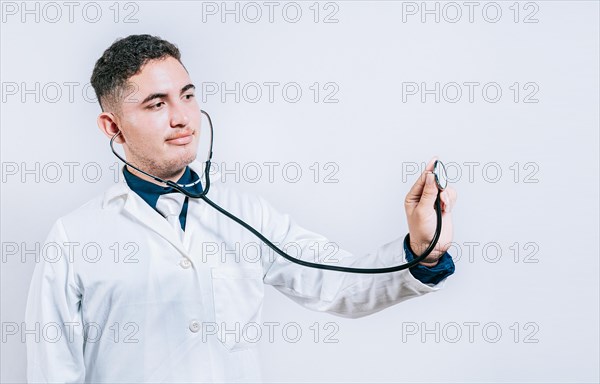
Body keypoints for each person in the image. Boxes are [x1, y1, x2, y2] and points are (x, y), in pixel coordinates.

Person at [25, 34, 458, 383]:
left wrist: (425, 250)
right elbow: (53, 368)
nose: (183, 118)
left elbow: (337, 284)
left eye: (188, 95)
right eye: (157, 104)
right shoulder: (75, 236)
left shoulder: (246, 213)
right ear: (112, 126)